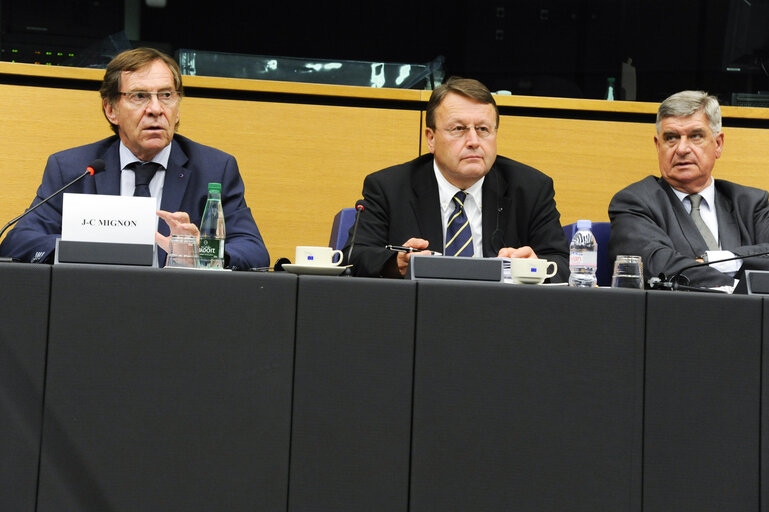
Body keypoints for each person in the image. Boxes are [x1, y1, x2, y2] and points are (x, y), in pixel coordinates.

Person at [0, 47, 269, 269]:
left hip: (180, 306)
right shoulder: (73, 168)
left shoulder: (215, 169)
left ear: (178, 107)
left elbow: (254, 251)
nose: (156, 109)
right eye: (140, 96)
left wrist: (201, 252)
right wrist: (88, 245)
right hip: (93, 302)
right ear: (111, 109)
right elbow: (19, 242)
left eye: (166, 95)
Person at [343, 76, 569, 279]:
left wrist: (535, 265)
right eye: (459, 129)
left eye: (483, 129)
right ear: (430, 139)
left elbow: (562, 264)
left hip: (501, 314)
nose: (473, 141)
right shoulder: (389, 188)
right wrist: (397, 264)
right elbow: (355, 255)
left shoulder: (531, 188)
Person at [608, 90, 769, 289]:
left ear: (718, 144)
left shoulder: (751, 203)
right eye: (671, 138)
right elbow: (658, 266)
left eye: (695, 136)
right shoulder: (633, 203)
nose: (682, 149)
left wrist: (725, 259)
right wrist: (740, 286)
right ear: (658, 146)